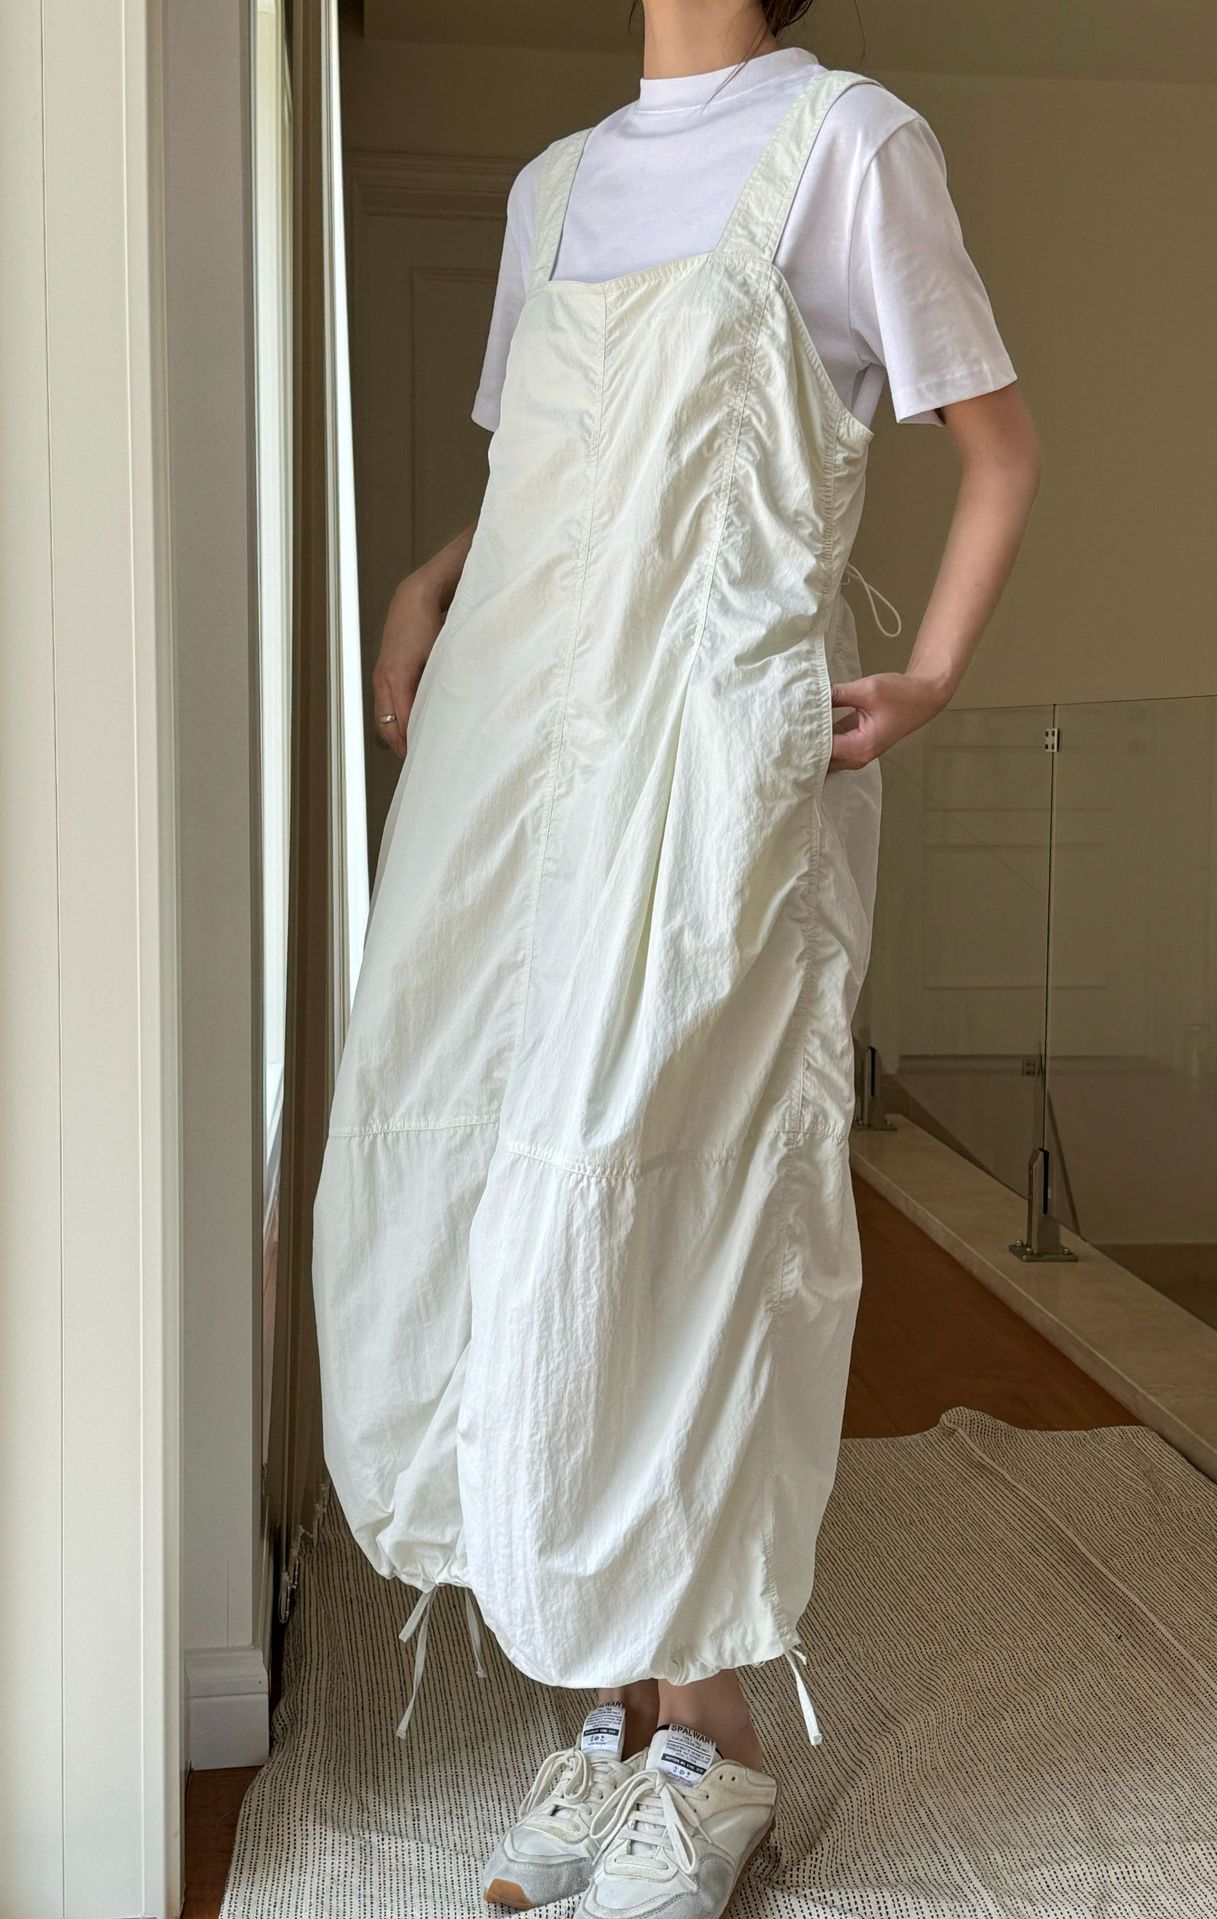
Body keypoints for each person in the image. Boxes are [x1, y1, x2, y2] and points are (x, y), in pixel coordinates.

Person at [311, 4, 1040, 1916]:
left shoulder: (849, 147)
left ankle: (708, 1749)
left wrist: (933, 673)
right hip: (515, 744)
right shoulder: (554, 187)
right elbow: (561, 485)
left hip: (708, 763)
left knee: (682, 1209)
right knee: (494, 1182)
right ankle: (612, 1713)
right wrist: (431, 581)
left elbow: (1000, 447)